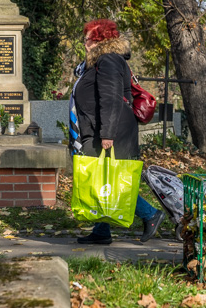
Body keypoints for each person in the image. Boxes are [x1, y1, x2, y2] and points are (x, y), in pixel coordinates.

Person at [69, 19, 165, 245]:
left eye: (89, 39)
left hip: (110, 129)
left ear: (100, 40)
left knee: (110, 178)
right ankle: (102, 231)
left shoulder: (109, 60)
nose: (85, 44)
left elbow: (111, 98)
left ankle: (150, 214)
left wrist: (107, 134)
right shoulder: (101, 61)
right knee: (104, 176)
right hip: (102, 126)